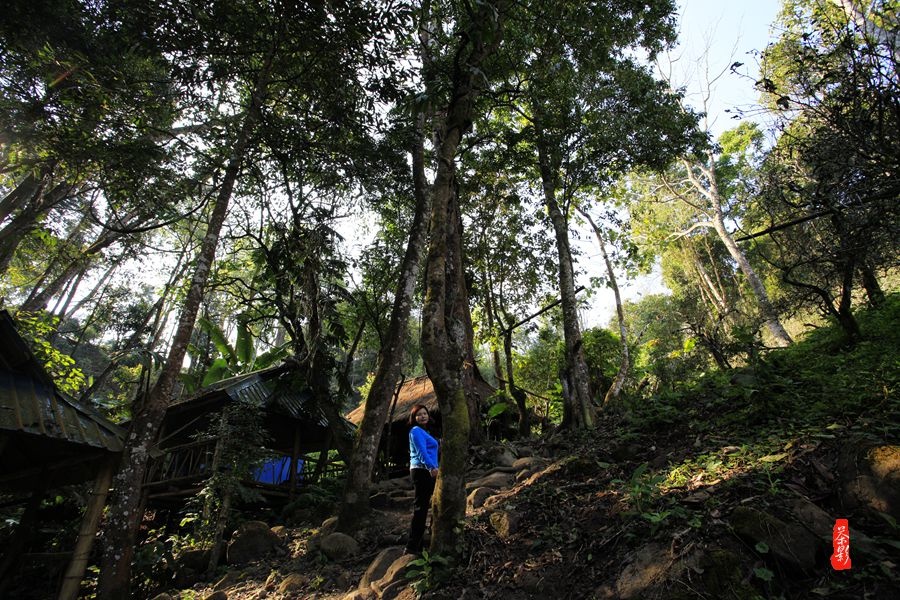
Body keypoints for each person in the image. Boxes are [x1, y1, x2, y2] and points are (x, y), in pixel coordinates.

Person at [405, 403, 439, 555]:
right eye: (419, 415)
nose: (422, 416)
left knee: (429, 504)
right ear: (414, 418)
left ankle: (420, 541)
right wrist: (432, 467)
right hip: (422, 471)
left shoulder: (425, 432)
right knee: (421, 507)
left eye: (424, 413)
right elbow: (421, 452)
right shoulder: (416, 431)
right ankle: (412, 546)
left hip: (425, 470)